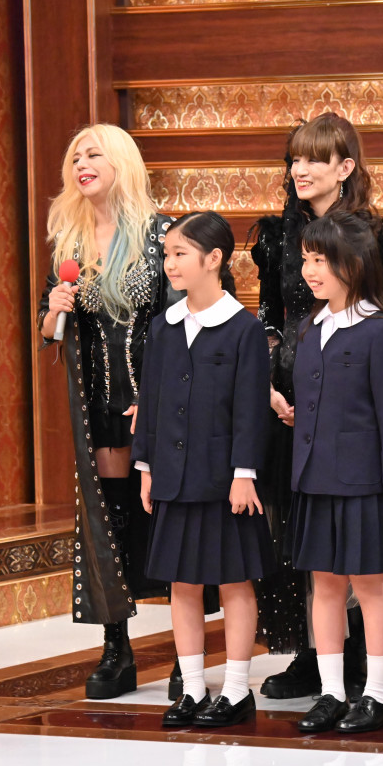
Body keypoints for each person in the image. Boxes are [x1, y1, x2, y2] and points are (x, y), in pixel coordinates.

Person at [247, 113, 383, 701]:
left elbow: (370, 327)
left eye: (314, 159)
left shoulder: (365, 237)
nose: (300, 169)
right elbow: (270, 316)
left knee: (362, 555)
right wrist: (270, 381)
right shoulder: (279, 235)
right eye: (294, 158)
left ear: (345, 168)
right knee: (307, 543)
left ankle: (365, 670)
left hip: (346, 403)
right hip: (291, 393)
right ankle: (315, 661)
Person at [37, 124, 180, 700]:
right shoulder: (69, 243)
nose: (82, 164)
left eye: (93, 154)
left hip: (159, 402)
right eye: (75, 157)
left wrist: (161, 398)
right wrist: (53, 311)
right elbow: (50, 331)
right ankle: (117, 648)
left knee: (168, 518)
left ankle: (186, 653)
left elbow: (182, 322)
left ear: (121, 162)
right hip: (100, 407)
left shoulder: (162, 234)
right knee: (112, 518)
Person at [132, 211, 273, 728]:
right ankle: (192, 689)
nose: (170, 264)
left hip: (224, 480)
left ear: (214, 259)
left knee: (234, 581)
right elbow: (152, 401)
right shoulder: (163, 328)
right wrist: (146, 467)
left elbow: (251, 409)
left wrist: (244, 473)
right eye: (166, 254)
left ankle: (235, 690)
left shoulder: (244, 329)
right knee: (182, 584)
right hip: (173, 475)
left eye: (180, 254)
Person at [290, 212, 383, 735]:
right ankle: (331, 693)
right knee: (323, 586)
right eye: (306, 259)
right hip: (315, 478)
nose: (310, 271)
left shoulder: (382, 333)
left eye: (321, 260)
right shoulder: (310, 328)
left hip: (364, 482)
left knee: (369, 585)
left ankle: (378, 695)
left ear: (354, 263)